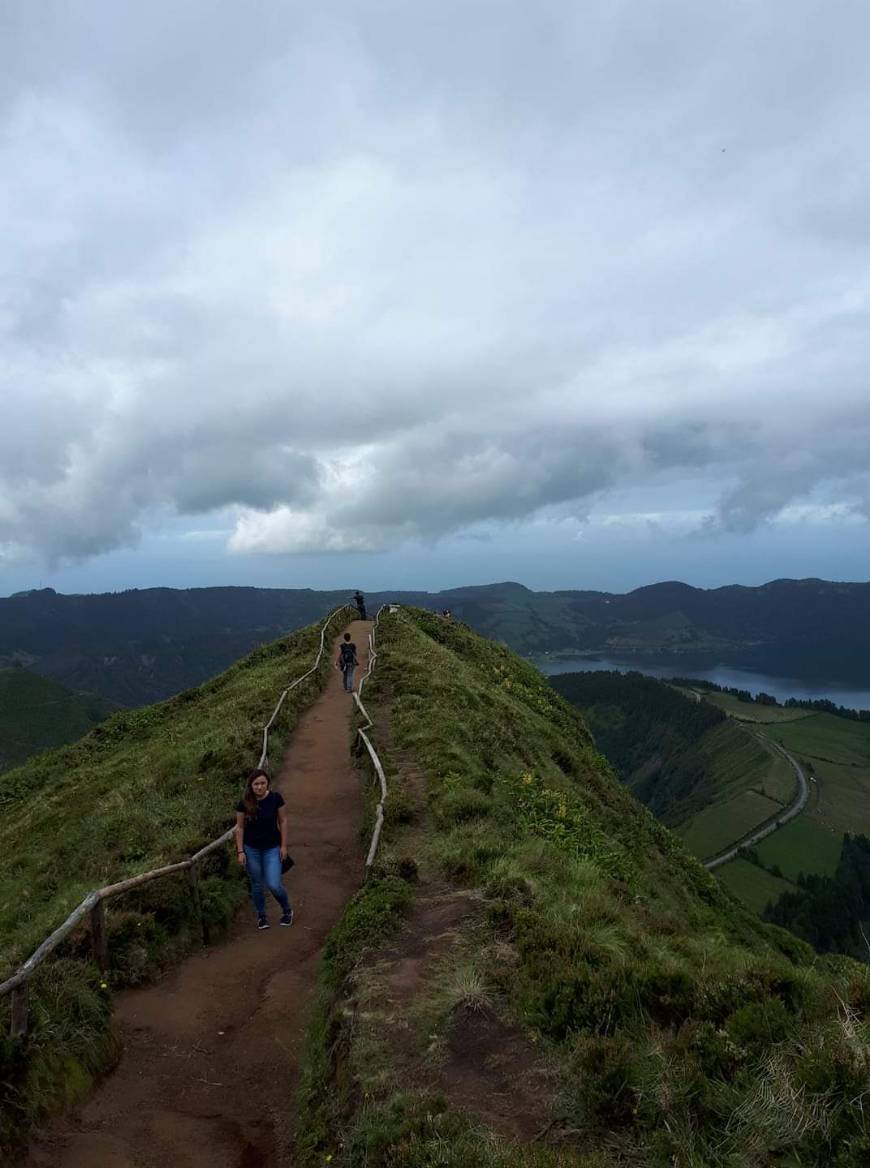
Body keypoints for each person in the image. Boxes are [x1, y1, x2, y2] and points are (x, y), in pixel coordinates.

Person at [235, 768, 293, 930]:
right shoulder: (244, 803)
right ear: (251, 786)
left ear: (267, 783)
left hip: (272, 848)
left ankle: (287, 910)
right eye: (256, 784)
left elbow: (283, 821)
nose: (259, 787)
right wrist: (240, 851)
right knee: (257, 884)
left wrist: (283, 846)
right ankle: (261, 916)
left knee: (274, 884)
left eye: (262, 783)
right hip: (251, 848)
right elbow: (239, 828)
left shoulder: (276, 799)